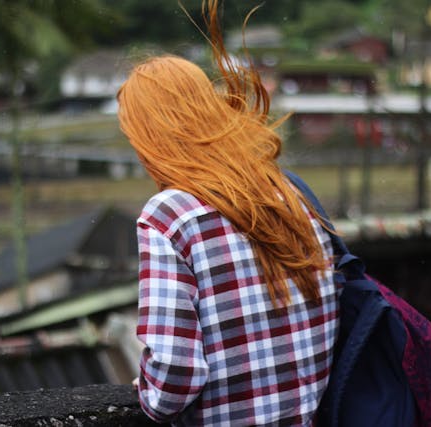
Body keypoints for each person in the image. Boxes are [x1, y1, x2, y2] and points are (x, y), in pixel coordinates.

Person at [117, 1, 339, 425]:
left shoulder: (170, 215)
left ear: (149, 138)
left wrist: (148, 389)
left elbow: (174, 380)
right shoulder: (286, 192)